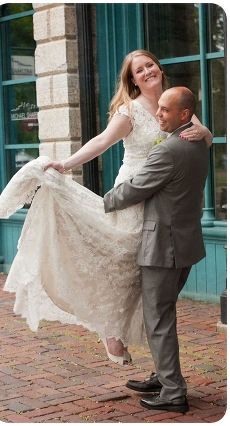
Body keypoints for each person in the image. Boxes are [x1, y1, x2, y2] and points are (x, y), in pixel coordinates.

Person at [0, 50, 211, 366]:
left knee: (144, 276)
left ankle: (154, 360)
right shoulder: (130, 111)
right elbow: (102, 142)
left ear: (159, 68)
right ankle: (112, 330)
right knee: (123, 265)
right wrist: (65, 164)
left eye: (150, 64)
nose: (147, 71)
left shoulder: (175, 102)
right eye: (139, 70)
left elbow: (201, 137)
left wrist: (205, 132)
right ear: (132, 79)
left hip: (166, 201)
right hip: (133, 198)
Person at [103, 87, 207, 413]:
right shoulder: (199, 143)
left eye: (164, 110)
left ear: (184, 115)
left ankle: (173, 392)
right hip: (184, 244)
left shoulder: (170, 150)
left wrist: (98, 204)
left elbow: (134, 190)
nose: (157, 114)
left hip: (163, 247)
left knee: (158, 320)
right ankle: (164, 377)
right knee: (162, 316)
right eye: (158, 108)